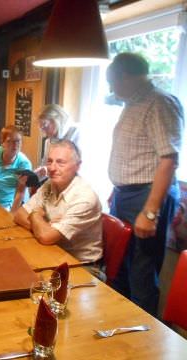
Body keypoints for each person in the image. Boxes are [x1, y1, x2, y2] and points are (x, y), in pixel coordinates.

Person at [106, 52, 184, 316]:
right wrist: (116, 190)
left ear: (123, 76)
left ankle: (143, 345)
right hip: (127, 195)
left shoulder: (160, 103)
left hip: (145, 197)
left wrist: (150, 212)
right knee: (119, 269)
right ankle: (120, 332)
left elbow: (168, 160)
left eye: (112, 82)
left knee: (141, 274)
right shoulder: (132, 102)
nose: (111, 89)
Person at [12, 139, 103, 267]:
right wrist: (44, 227)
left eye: (60, 162)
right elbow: (19, 215)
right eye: (50, 161)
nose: (52, 168)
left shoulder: (85, 198)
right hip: (52, 251)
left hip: (81, 265)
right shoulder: (50, 183)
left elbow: (46, 237)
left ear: (78, 165)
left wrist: (35, 215)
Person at [35, 104, 79, 179]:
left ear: (57, 120)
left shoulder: (79, 133)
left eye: (45, 126)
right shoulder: (48, 142)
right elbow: (46, 165)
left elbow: (79, 169)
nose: (44, 133)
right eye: (42, 129)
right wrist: (43, 171)